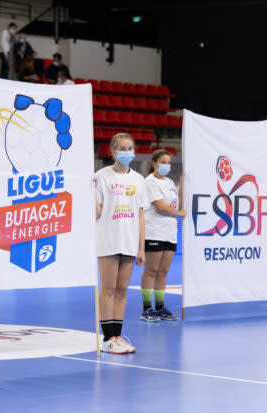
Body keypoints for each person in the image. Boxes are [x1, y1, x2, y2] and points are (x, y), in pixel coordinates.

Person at [94, 132, 148, 354]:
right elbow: (97, 212)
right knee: (107, 289)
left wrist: (141, 247)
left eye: (130, 148)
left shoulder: (138, 180)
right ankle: (107, 338)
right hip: (108, 239)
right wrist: (88, 192)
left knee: (122, 290)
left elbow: (141, 214)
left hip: (129, 241)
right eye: (122, 149)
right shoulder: (101, 176)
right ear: (113, 151)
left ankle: (117, 336)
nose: (127, 152)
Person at [140, 150, 186, 322]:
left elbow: (176, 202)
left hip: (170, 233)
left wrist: (182, 183)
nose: (167, 165)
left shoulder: (169, 182)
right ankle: (146, 309)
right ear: (154, 163)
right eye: (163, 162)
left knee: (163, 272)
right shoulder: (150, 182)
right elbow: (159, 206)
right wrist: (179, 213)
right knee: (151, 271)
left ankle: (159, 308)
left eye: (169, 162)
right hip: (154, 232)